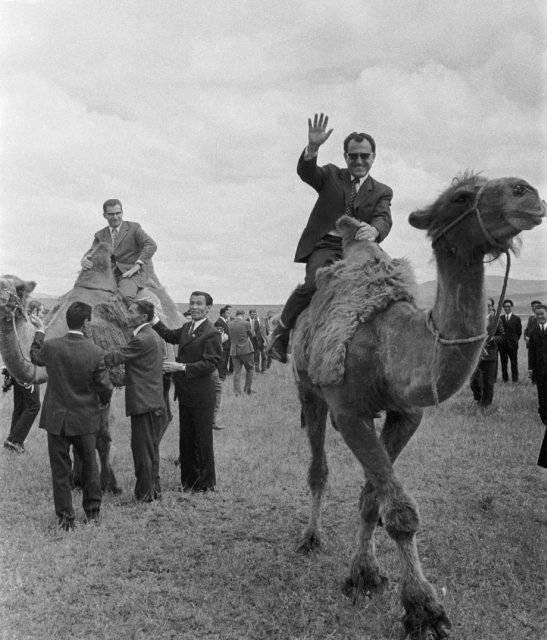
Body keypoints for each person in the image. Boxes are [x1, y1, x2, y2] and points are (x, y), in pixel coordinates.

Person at [267, 113, 393, 363]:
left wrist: (375, 230)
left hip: (359, 251)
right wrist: (313, 147)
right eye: (353, 155)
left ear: (373, 157)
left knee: (390, 288)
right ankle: (280, 333)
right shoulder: (332, 175)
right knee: (313, 284)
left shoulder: (382, 191)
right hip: (326, 246)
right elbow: (307, 172)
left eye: (364, 156)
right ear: (345, 157)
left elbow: (384, 218)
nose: (359, 161)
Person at [29, 301, 113, 529]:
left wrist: (39, 331)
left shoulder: (52, 347)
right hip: (85, 419)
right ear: (86, 323)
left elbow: (35, 356)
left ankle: (66, 519)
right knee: (90, 467)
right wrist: (100, 402)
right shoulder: (96, 352)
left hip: (56, 419)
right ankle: (93, 514)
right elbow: (106, 388)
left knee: (60, 470)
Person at [152, 291, 222, 492]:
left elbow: (210, 363)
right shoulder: (186, 328)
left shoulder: (211, 332)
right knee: (187, 438)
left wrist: (181, 367)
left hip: (201, 394)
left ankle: (206, 484)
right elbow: (168, 335)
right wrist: (153, 317)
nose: (194, 307)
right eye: (192, 303)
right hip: (185, 394)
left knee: (202, 440)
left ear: (208, 308)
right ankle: (189, 482)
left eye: (199, 304)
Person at [104, 300, 165, 502]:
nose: (126, 314)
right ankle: (153, 490)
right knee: (150, 448)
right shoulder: (152, 336)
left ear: (143, 317)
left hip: (143, 402)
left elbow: (117, 357)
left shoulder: (142, 339)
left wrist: (90, 353)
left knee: (141, 450)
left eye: (130, 312)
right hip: (152, 400)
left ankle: (144, 495)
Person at [80, 199, 157, 306]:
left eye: (118, 213)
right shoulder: (100, 234)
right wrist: (84, 259)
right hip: (108, 276)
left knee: (125, 297)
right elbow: (92, 251)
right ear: (104, 215)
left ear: (122, 212)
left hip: (131, 274)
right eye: (111, 214)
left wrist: (137, 265)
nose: (115, 217)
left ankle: (133, 320)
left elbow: (151, 245)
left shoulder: (134, 228)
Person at [3, 299, 45, 453]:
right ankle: (13, 440)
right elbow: (27, 353)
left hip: (16, 371)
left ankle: (15, 443)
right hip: (26, 372)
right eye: (41, 311)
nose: (43, 314)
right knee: (34, 405)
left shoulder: (21, 325)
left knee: (20, 406)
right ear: (34, 312)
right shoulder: (29, 328)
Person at [470, 298, 504, 408]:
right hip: (475, 356)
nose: (485, 307)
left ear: (491, 307)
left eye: (488, 305)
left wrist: (491, 339)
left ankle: (486, 403)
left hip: (489, 354)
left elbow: (502, 337)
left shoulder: (497, 320)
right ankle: (477, 399)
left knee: (488, 381)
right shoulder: (475, 320)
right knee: (475, 380)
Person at [527, 304, 547, 468]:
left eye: (542, 314)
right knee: (542, 393)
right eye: (537, 314)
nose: (540, 316)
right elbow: (531, 352)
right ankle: (544, 414)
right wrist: (531, 369)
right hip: (540, 370)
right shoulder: (533, 332)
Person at [228, 310, 255, 396]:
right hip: (246, 350)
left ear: (236, 315)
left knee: (237, 372)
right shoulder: (246, 323)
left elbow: (230, 336)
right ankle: (247, 389)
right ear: (243, 315)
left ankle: (237, 392)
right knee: (250, 369)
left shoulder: (230, 324)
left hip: (234, 351)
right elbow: (252, 335)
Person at [499, 299, 522, 383]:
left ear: (511, 307)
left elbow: (519, 332)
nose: (507, 308)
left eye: (508, 306)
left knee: (514, 363)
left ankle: (515, 379)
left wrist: (514, 340)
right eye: (505, 307)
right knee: (503, 363)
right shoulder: (500, 318)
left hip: (513, 345)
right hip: (502, 345)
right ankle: (505, 379)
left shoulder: (517, 318)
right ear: (503, 308)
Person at [214, 305, 232, 380]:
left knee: (225, 360)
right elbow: (219, 336)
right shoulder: (219, 322)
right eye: (227, 313)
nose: (229, 315)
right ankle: (221, 376)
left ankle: (224, 374)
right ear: (222, 314)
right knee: (222, 360)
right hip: (223, 345)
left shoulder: (225, 321)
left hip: (228, 345)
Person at [248, 309, 267, 373]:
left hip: (262, 340)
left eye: (255, 314)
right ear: (250, 314)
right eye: (252, 314)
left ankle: (264, 369)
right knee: (256, 354)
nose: (254, 315)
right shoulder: (250, 322)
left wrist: (266, 340)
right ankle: (257, 369)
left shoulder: (263, 320)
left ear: (257, 313)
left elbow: (267, 330)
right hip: (254, 340)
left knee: (264, 354)